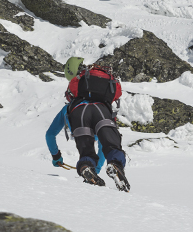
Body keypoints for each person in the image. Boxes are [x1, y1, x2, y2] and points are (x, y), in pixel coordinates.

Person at [46, 57, 130, 191]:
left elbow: (50, 135)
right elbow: (103, 145)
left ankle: (86, 167)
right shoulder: (103, 102)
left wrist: (56, 157)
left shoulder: (68, 109)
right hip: (102, 111)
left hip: (79, 113)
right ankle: (116, 164)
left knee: (86, 153)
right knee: (111, 145)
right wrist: (98, 168)